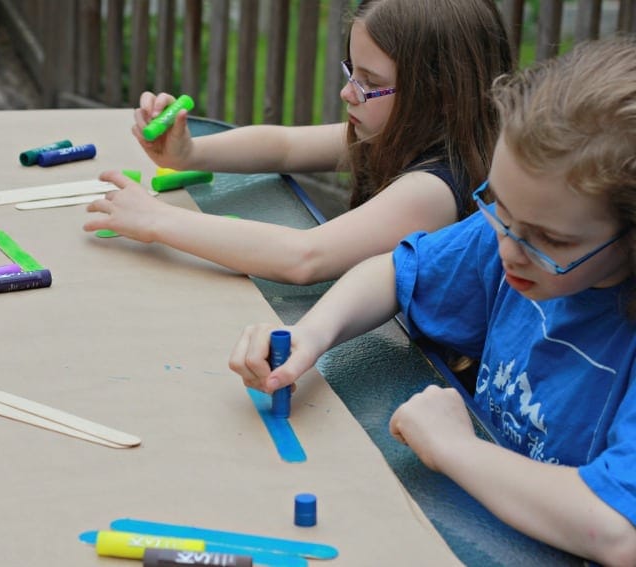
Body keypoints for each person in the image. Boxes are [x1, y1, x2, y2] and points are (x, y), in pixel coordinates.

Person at [229, 37, 636, 565]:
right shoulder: (514, 236)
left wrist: (455, 449)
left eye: (549, 241)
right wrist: (311, 335)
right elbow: (394, 273)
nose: (508, 249)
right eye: (499, 207)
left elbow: (616, 531)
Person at [83, 0, 512, 285]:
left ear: (439, 94)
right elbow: (284, 146)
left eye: (370, 83)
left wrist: (157, 220)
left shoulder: (433, 188)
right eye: (352, 74)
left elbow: (304, 257)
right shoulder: (400, 134)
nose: (348, 93)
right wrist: (189, 152)